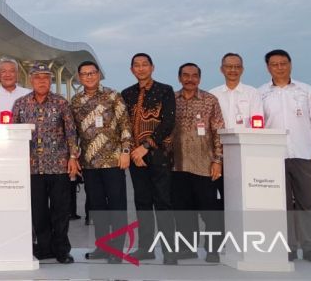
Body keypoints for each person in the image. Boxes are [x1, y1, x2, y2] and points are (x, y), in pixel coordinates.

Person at [259, 49, 311, 264]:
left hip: (303, 154)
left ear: (290, 64)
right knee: (282, 205)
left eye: (283, 63)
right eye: (274, 64)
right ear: (267, 67)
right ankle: (288, 247)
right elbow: (257, 125)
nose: (279, 67)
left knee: (307, 203)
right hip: (274, 157)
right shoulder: (261, 93)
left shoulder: (305, 90)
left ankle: (310, 248)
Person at [12, 63, 80, 264]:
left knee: (60, 210)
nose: (42, 81)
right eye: (37, 77)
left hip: (58, 165)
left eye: (45, 77)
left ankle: (61, 250)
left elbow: (71, 132)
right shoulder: (20, 104)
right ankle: (43, 248)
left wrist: (73, 158)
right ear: (31, 80)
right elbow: (14, 134)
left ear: (50, 80)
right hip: (32, 167)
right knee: (38, 210)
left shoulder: (61, 103)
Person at [70, 60, 131, 263]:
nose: (89, 76)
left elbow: (125, 125)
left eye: (92, 73)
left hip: (114, 161)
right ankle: (102, 247)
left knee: (117, 206)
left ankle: (117, 250)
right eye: (85, 74)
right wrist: (74, 155)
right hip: (90, 163)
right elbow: (74, 133)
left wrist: (125, 151)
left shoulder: (113, 95)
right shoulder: (76, 101)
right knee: (97, 207)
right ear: (79, 77)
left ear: (99, 75)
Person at [121, 53, 177, 264]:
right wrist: (131, 152)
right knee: (142, 203)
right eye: (137, 65)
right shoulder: (126, 94)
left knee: (163, 202)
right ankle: (146, 248)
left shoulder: (165, 90)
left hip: (159, 156)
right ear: (132, 69)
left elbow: (168, 123)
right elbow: (124, 124)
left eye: (145, 64)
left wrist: (144, 147)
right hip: (136, 159)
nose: (141, 68)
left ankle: (170, 251)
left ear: (152, 67)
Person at [171, 63, 225, 263]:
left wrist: (218, 160)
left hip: (204, 165)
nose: (190, 79)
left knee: (209, 211)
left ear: (199, 79)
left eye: (194, 76)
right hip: (177, 165)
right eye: (185, 75)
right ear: (179, 78)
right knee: (183, 210)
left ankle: (213, 250)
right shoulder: (171, 100)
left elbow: (218, 132)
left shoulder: (210, 100)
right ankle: (187, 248)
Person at [209, 52, 264, 206]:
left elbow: (257, 124)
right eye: (229, 66)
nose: (233, 70)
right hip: (220, 155)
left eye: (237, 66)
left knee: (245, 198)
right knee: (221, 198)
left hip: (245, 155)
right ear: (222, 69)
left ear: (242, 69)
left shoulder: (252, 93)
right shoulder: (213, 94)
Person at [0, 57, 29, 123]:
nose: (8, 75)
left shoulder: (28, 94)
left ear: (17, 75)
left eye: (12, 71)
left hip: (23, 133)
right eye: (4, 71)